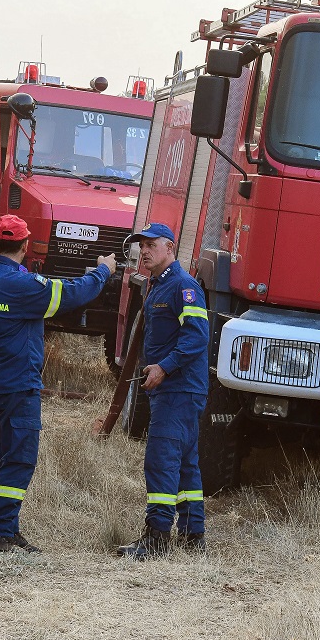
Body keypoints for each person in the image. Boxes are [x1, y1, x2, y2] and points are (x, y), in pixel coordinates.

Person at [0, 214, 116, 554]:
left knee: (2, 456)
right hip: (16, 386)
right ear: (26, 246)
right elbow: (72, 294)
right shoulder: (22, 286)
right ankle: (1, 534)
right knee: (19, 458)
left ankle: (1, 530)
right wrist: (104, 271)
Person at [116, 222, 209, 561]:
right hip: (175, 392)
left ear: (169, 247)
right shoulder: (160, 285)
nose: (144, 251)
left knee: (161, 461)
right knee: (185, 465)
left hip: (178, 390)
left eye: (151, 244)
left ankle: (156, 538)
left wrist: (163, 366)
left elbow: (197, 336)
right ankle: (192, 535)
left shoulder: (183, 287)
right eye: (141, 245)